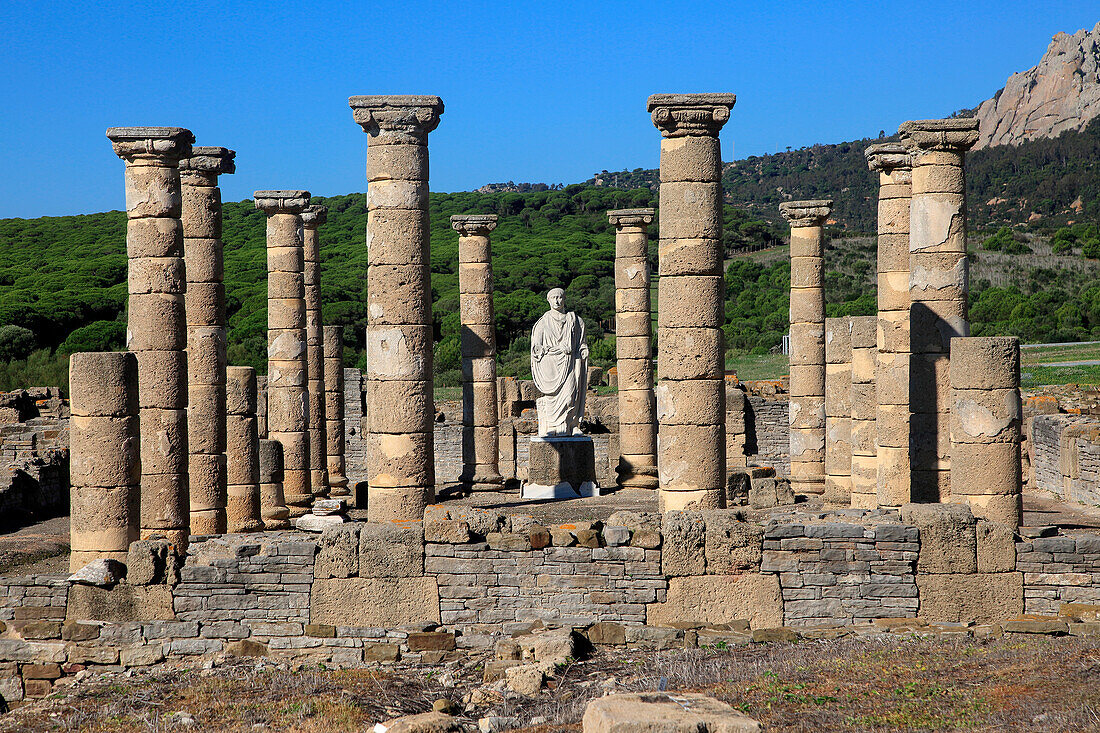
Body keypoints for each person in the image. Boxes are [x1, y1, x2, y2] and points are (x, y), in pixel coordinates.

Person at [530, 288, 589, 436]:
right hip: (550, 365)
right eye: (553, 298)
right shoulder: (542, 323)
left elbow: (581, 343)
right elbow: (536, 348)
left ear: (564, 299)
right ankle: (552, 426)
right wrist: (553, 349)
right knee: (551, 397)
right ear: (548, 300)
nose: (557, 301)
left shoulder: (575, 320)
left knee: (571, 394)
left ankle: (571, 423)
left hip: (570, 363)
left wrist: (583, 350)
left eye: (560, 297)